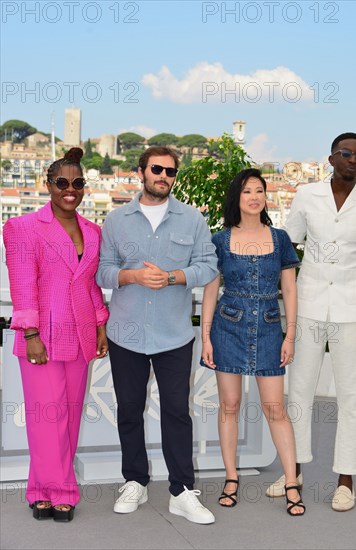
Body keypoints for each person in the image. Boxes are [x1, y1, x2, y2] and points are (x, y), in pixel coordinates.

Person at [96, 146, 219, 524]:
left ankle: (182, 491)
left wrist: (171, 277)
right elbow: (103, 273)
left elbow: (208, 266)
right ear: (141, 172)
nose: (163, 176)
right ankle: (135, 480)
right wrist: (133, 276)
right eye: (156, 169)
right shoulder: (116, 221)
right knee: (129, 411)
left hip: (174, 335)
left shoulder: (193, 220)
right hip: (126, 334)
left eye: (170, 172)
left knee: (177, 413)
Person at [266, 132, 356, 511]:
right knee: (299, 390)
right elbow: (289, 246)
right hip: (310, 303)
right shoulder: (307, 196)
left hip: (353, 308)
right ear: (331, 159)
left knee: (352, 395)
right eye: (346, 154)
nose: (353, 159)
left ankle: (345, 481)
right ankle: (292, 471)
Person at [3, 148, 109, 522]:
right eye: (62, 183)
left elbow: (92, 286)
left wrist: (100, 325)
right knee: (46, 417)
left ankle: (40, 490)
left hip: (81, 335)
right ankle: (62, 490)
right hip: (41, 336)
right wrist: (30, 333)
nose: (70, 189)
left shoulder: (94, 232)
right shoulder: (22, 228)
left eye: (78, 183)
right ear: (48, 185)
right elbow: (22, 286)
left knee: (68, 417)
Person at [201, 168, 306, 516]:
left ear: (265, 197)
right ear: (237, 198)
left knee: (275, 408)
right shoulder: (219, 240)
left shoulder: (280, 239)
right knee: (229, 405)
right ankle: (231, 477)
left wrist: (290, 335)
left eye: (259, 190)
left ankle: (292, 481)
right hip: (227, 327)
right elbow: (211, 291)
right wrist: (206, 337)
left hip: (269, 328)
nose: (254, 196)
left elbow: (289, 289)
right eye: (247, 191)